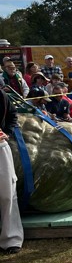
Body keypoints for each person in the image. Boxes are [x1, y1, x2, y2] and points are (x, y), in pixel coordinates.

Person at [0, 88, 23, 254]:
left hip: (0, 147)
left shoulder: (1, 95)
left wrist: (7, 132)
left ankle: (11, 239)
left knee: (7, 194)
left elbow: (12, 115)